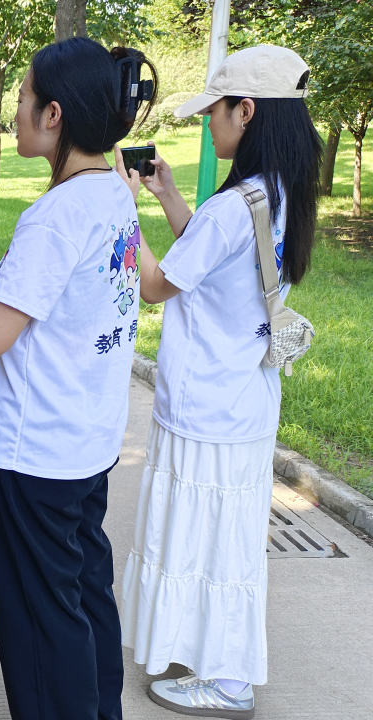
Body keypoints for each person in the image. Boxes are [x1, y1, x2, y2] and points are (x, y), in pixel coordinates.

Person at [118, 45, 321, 720]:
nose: (211, 125)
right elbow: (210, 271)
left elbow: (156, 285)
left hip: (207, 403)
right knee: (223, 536)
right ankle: (216, 659)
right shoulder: (278, 193)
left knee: (203, 534)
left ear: (248, 111)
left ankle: (229, 681)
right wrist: (170, 196)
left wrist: (124, 214)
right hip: (246, 400)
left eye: (217, 112)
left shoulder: (235, 206)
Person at [0, 38, 156, 720]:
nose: (12, 114)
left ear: (52, 114)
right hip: (86, 440)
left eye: (20, 99)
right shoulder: (112, 192)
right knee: (84, 593)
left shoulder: (55, 213)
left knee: (42, 622)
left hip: (31, 452)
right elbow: (55, 299)